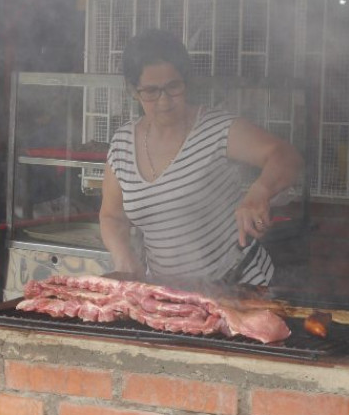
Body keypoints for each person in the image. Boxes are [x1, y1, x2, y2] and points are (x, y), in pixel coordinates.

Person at [100, 28, 303, 285]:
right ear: (133, 90)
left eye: (173, 87)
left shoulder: (216, 128)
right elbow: (112, 216)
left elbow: (286, 156)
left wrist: (260, 191)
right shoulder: (121, 146)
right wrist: (123, 256)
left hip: (239, 287)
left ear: (186, 81)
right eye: (151, 91)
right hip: (170, 295)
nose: (164, 102)